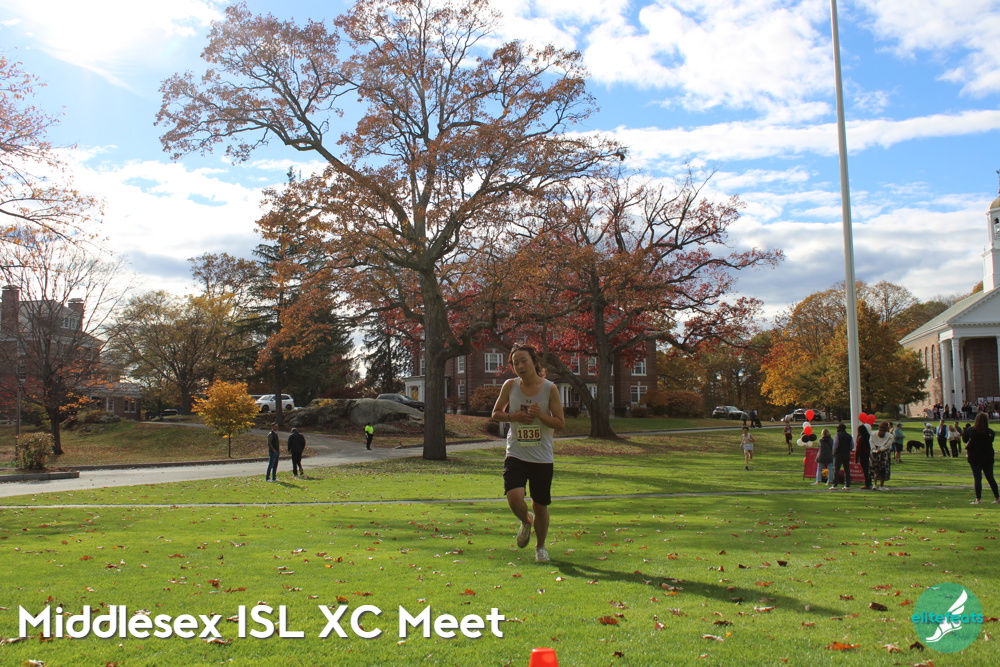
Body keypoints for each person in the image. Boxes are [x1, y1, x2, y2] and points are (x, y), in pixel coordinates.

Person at [491, 344, 565, 564]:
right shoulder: (510, 385)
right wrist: (513, 417)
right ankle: (525, 521)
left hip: (541, 457)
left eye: (524, 360)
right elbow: (496, 413)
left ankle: (540, 548)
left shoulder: (549, 388)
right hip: (516, 452)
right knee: (514, 498)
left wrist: (540, 415)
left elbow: (560, 423)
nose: (520, 366)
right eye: (516, 363)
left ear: (534, 361)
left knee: (540, 505)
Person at [966, 412, 1000, 504]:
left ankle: (978, 499)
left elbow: (965, 439)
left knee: (977, 478)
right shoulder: (990, 432)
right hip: (987, 456)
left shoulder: (971, 430)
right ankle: (997, 497)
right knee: (990, 477)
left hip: (974, 457)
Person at [870, 421, 894, 491]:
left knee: (875, 469)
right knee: (883, 469)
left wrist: (874, 449)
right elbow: (887, 445)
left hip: (874, 453)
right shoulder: (890, 436)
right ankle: (881, 485)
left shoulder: (873, 433)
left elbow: (871, 442)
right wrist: (880, 450)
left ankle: (874, 484)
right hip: (884, 453)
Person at [828, 423, 853, 490]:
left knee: (836, 470)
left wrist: (833, 453)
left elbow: (835, 445)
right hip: (846, 454)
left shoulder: (837, 435)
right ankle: (847, 485)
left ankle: (835, 484)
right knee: (847, 470)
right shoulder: (849, 436)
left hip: (838, 454)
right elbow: (852, 446)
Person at [856, 420, 872, 489]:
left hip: (863, 454)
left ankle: (867, 483)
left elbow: (858, 448)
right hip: (869, 454)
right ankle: (869, 482)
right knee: (868, 469)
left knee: (865, 470)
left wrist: (856, 457)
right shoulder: (868, 436)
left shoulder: (861, 438)